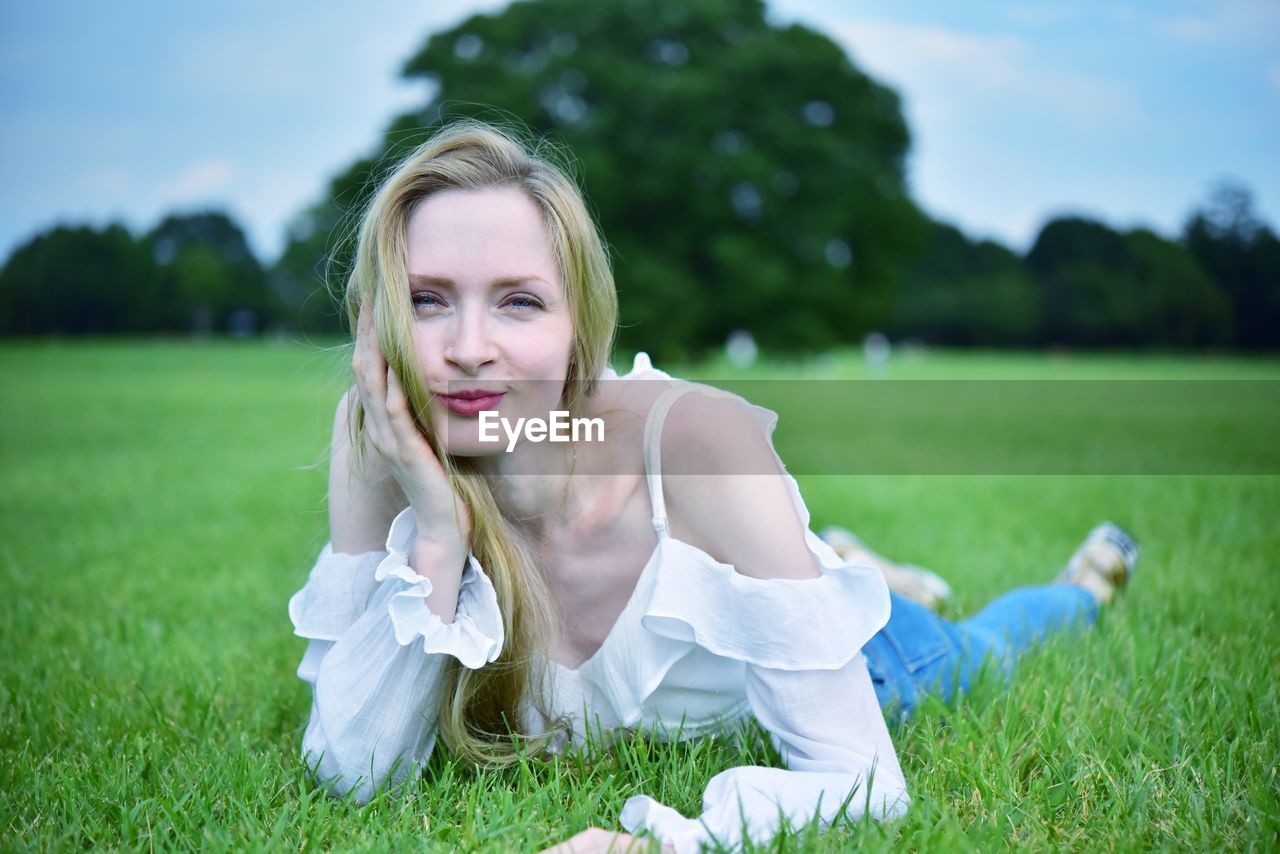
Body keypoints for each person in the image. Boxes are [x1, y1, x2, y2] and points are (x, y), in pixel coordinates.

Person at [287, 120, 1139, 853]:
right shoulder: (383, 440)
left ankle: (1079, 587)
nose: (469, 347)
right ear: (380, 319)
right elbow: (352, 773)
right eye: (429, 300)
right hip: (745, 565)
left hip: (871, 665)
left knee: (983, 649)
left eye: (517, 302)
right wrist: (437, 531)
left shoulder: (698, 444)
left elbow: (873, 789)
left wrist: (676, 838)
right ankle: (848, 558)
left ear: (580, 322)